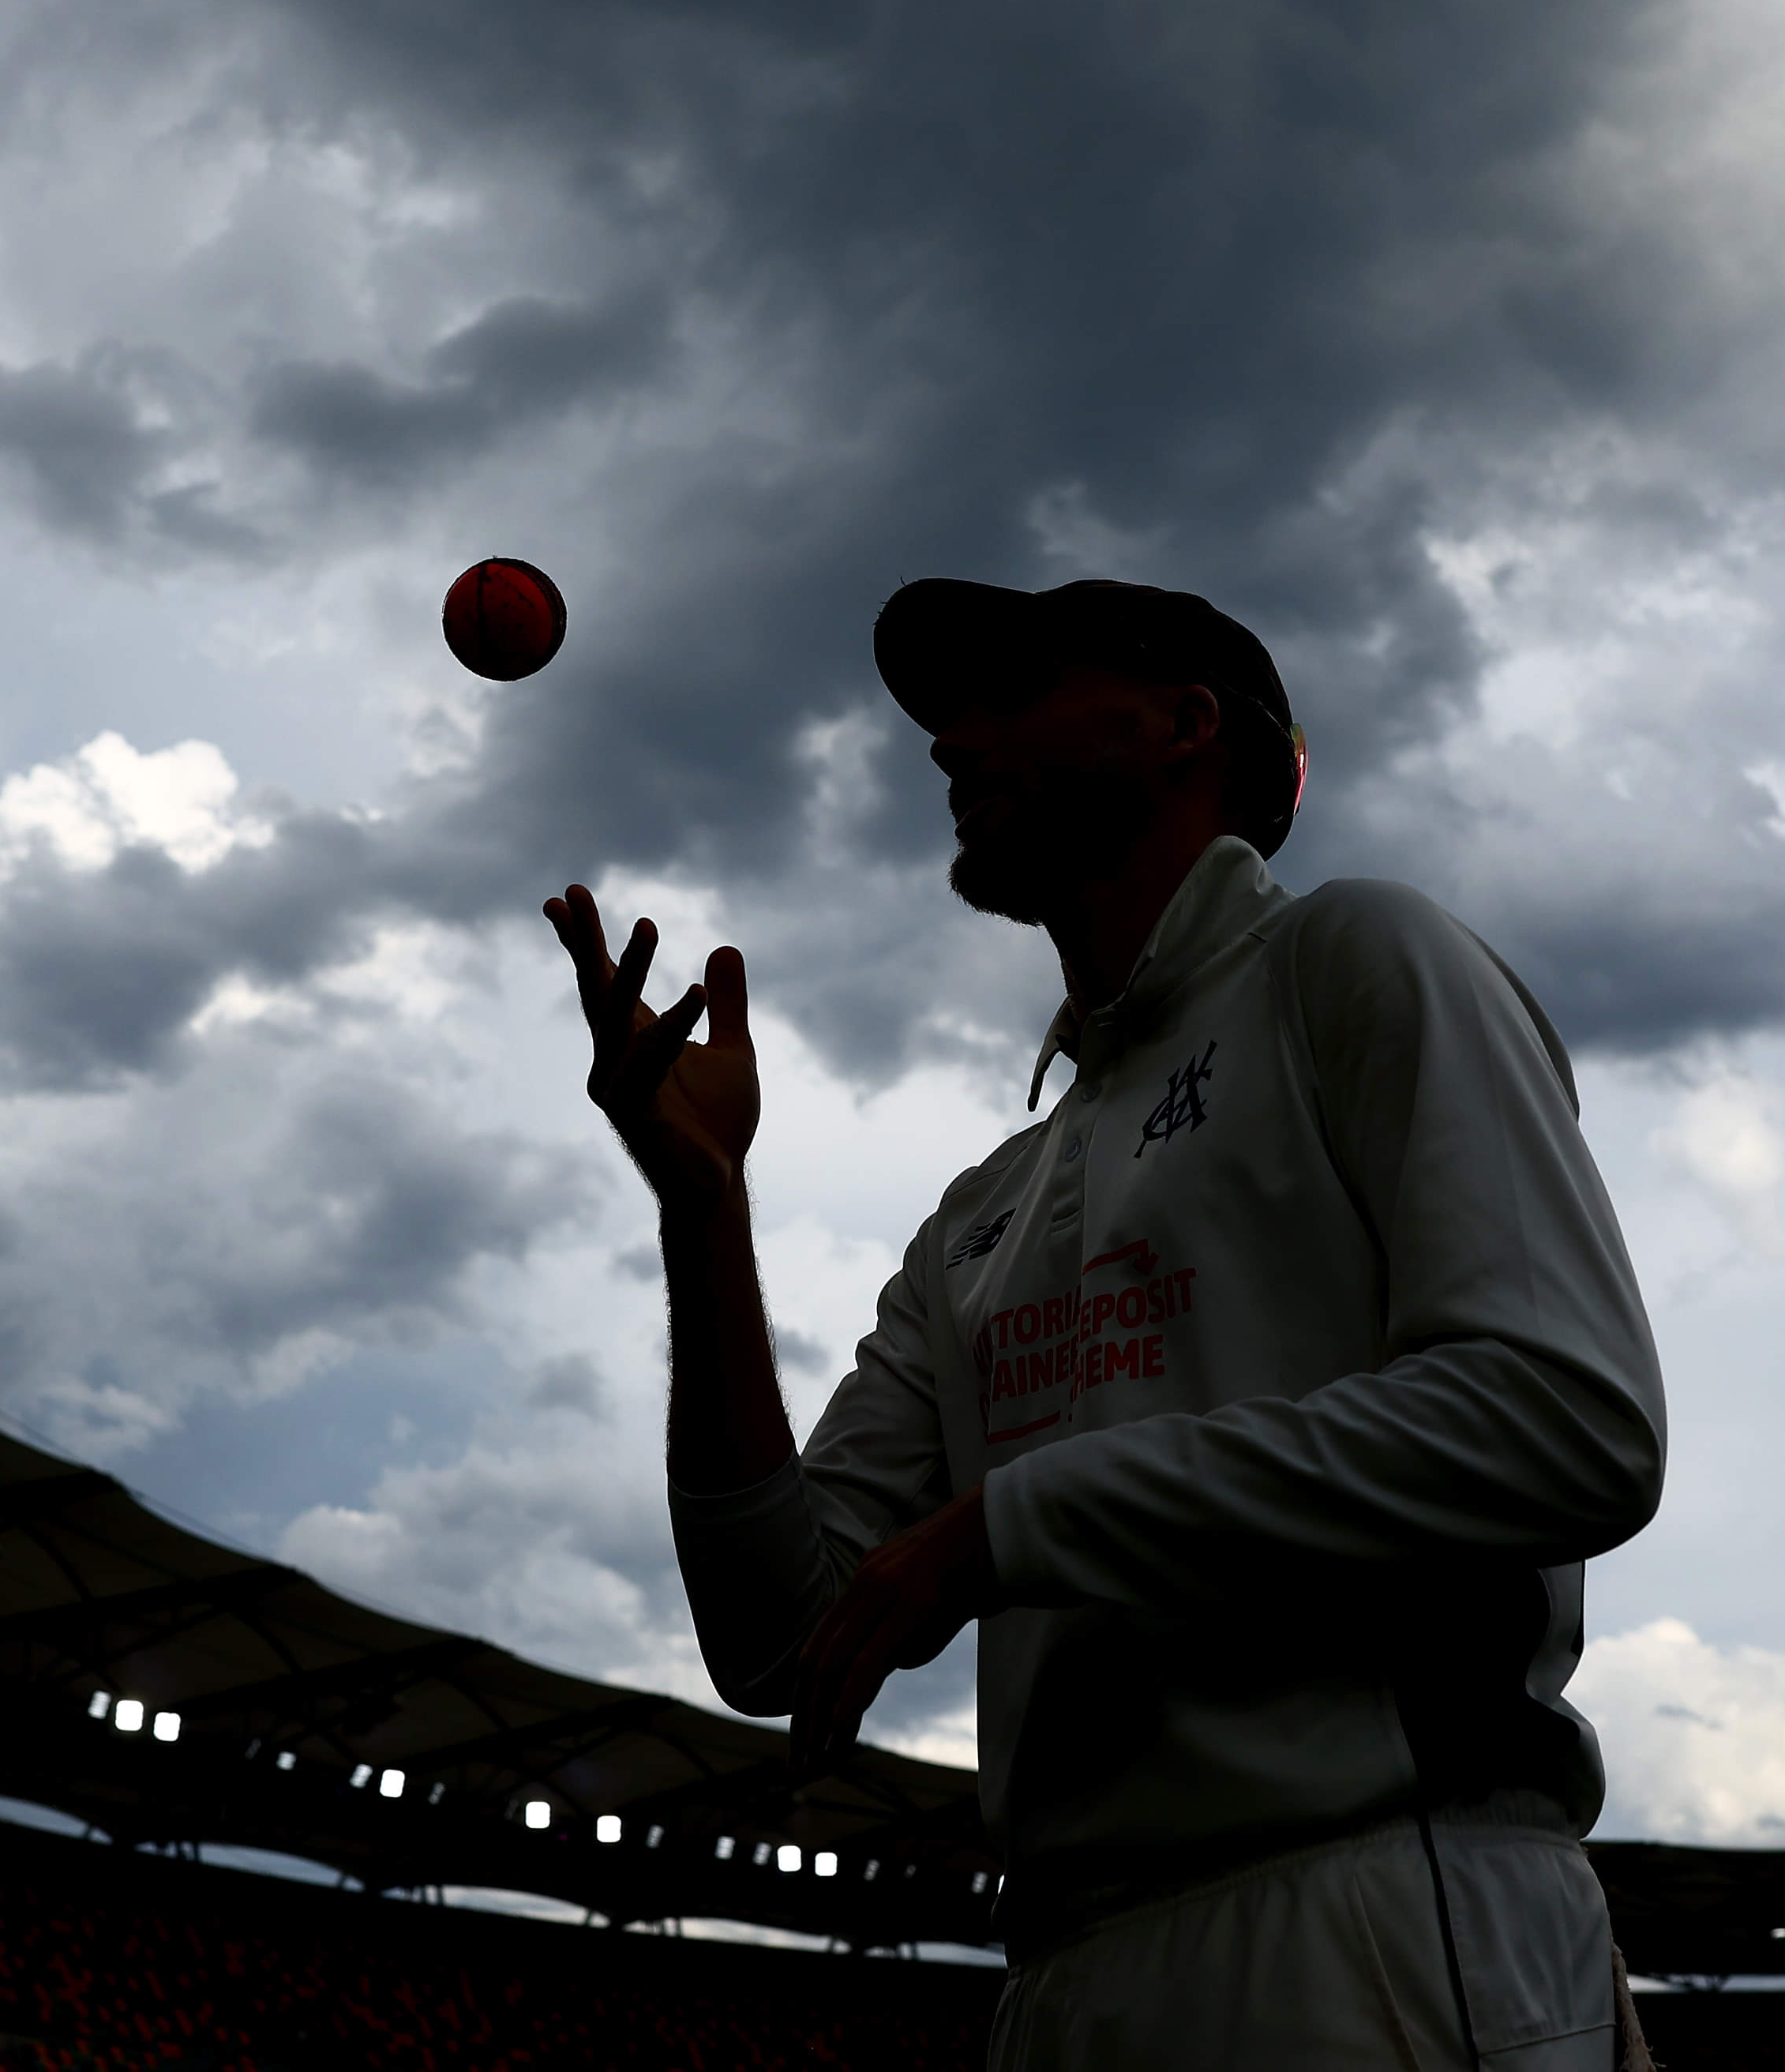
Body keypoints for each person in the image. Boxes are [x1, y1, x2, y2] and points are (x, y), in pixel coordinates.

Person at [546, 579, 1666, 2071]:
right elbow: (782, 1638)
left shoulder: (1357, 955)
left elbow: (1564, 1422)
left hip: (1377, 1908)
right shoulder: (981, 1207)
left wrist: (1009, 1521)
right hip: (1061, 1968)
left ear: (1183, 722)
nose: (952, 739)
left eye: (1009, 690)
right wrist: (704, 1210)